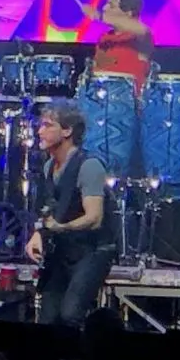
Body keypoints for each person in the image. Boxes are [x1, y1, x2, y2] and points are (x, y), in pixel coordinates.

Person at [25, 101, 116, 328]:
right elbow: (50, 207)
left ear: (67, 131)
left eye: (47, 125)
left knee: (70, 314)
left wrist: (61, 228)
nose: (40, 131)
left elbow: (94, 218)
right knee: (48, 317)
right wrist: (38, 233)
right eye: (40, 125)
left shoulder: (89, 166)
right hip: (64, 250)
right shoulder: (49, 167)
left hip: (93, 251)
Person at [86, 0, 153, 86]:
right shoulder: (105, 38)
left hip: (127, 96)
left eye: (111, 6)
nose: (104, 8)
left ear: (128, 13)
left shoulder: (140, 36)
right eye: (106, 3)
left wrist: (99, 16)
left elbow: (142, 29)